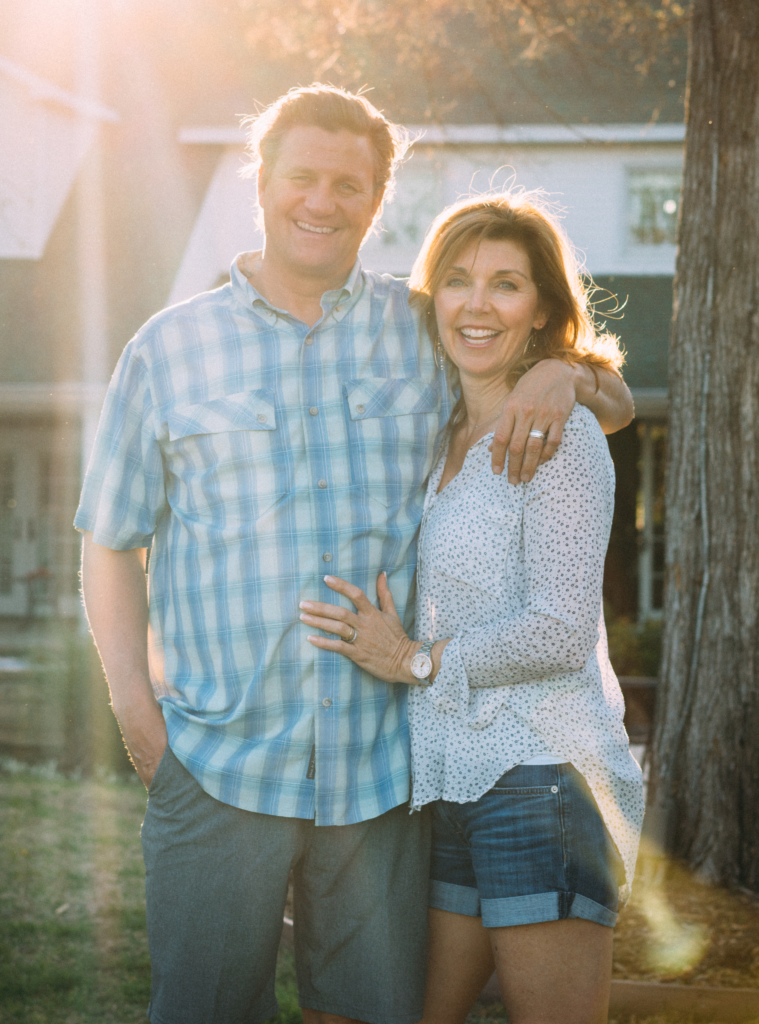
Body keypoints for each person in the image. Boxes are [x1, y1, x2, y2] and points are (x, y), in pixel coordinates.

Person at [76, 86, 634, 1024]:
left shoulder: (415, 330)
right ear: (262, 182)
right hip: (219, 766)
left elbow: (587, 387)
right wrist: (138, 716)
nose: (322, 202)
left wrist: (565, 374)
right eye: (302, 177)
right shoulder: (169, 350)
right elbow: (109, 539)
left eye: (349, 184)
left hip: (381, 781)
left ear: (376, 201)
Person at [300, 192, 644, 1024]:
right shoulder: (443, 429)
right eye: (457, 281)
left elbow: (561, 633)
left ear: (542, 311)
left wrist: (413, 659)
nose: (477, 304)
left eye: (505, 284)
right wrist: (580, 372)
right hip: (450, 780)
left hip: (543, 778)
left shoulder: (559, 441)